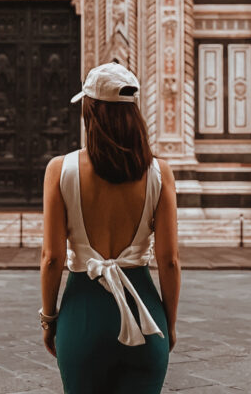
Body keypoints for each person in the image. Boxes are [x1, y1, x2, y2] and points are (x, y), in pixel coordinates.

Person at [40, 62, 180, 394]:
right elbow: (170, 260)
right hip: (146, 316)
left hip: (82, 318)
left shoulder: (60, 169)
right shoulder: (160, 172)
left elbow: (52, 258)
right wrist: (169, 323)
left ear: (90, 111)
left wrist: (48, 319)